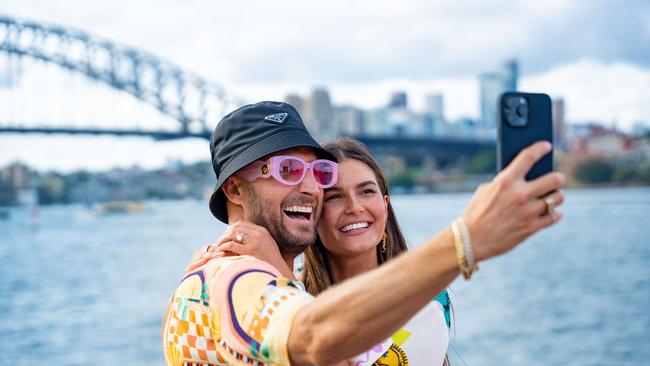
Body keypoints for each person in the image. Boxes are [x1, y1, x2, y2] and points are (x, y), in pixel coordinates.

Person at [162, 101, 565, 366]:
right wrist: (467, 238)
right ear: (234, 188)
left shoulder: (263, 283)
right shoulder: (235, 278)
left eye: (317, 174)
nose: (309, 188)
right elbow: (315, 337)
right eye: (286, 170)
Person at [194, 137, 452, 365]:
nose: (354, 207)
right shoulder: (285, 287)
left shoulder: (424, 298)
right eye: (334, 197)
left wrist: (278, 270)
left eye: (366, 191)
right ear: (313, 212)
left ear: (385, 207)